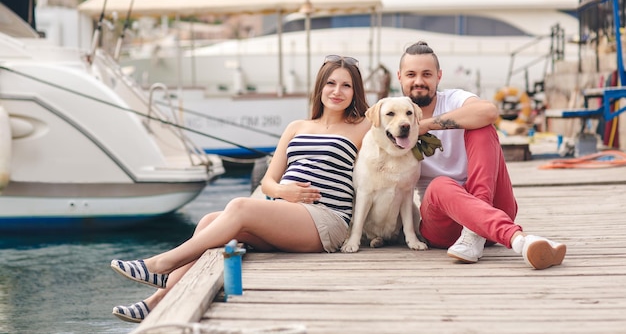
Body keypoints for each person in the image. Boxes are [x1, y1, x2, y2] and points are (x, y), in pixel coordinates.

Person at [109, 55, 371, 323]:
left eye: (346, 86)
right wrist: (284, 192)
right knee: (210, 221)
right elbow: (268, 182)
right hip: (286, 210)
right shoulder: (297, 127)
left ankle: (161, 264)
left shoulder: (364, 125)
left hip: (326, 219)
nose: (337, 91)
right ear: (320, 87)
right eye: (331, 83)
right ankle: (156, 302)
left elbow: (407, 127)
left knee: (238, 206)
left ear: (355, 91)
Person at [398, 41, 567, 270]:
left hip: (491, 205)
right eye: (411, 74)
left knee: (483, 126)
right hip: (443, 223)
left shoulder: (454, 100)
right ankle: (519, 240)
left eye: (426, 74)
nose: (419, 81)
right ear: (399, 77)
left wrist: (427, 125)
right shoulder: (394, 116)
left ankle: (474, 232)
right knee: (439, 186)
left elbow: (489, 112)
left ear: (438, 76)